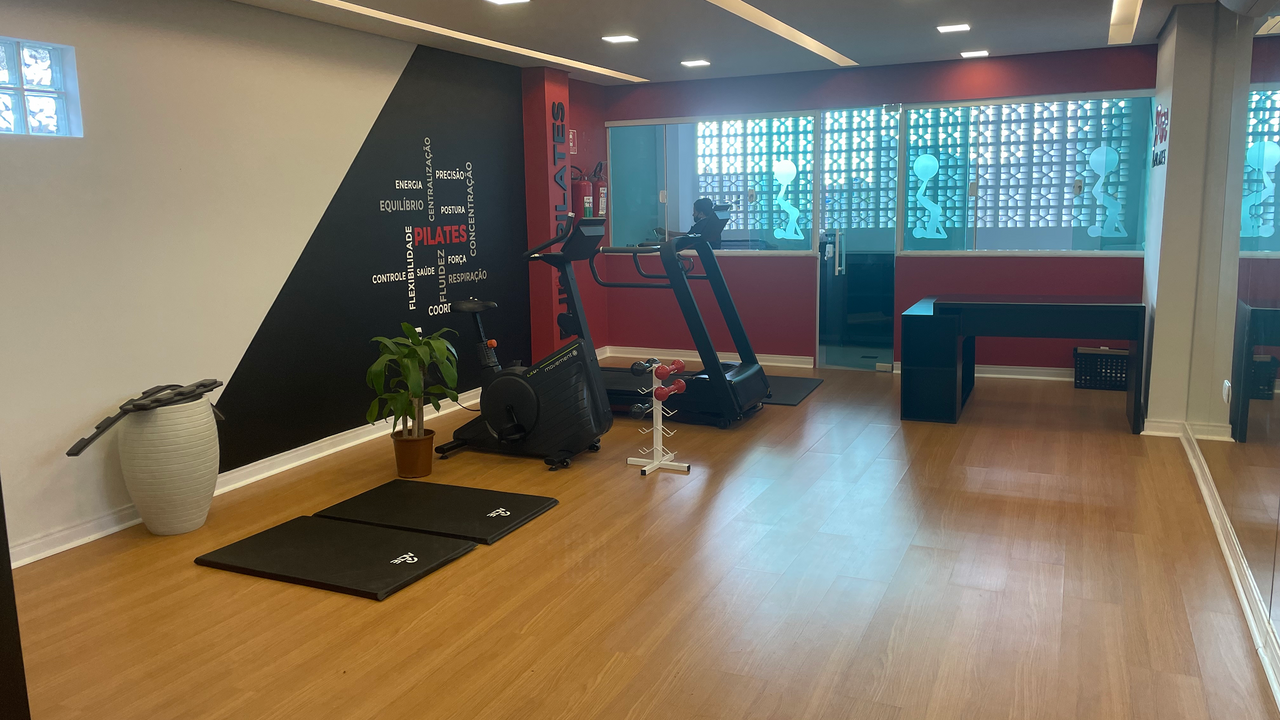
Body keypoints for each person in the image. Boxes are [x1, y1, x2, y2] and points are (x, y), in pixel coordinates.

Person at [657, 197, 723, 248]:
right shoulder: (709, 224)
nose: (693, 215)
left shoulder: (701, 225)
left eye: (694, 212)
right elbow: (689, 235)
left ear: (701, 214)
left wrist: (669, 239)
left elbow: (687, 239)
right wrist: (667, 232)